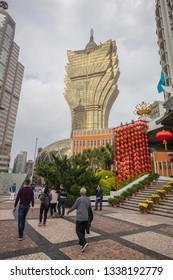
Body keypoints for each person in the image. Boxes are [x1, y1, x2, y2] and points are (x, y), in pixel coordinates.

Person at [67, 187, 92, 252]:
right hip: (86, 218)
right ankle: (81, 243)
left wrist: (69, 211)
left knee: (78, 230)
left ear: (80, 193)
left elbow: (74, 206)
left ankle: (84, 243)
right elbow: (90, 208)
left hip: (80, 218)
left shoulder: (79, 199)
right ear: (85, 193)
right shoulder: (88, 199)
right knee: (82, 230)